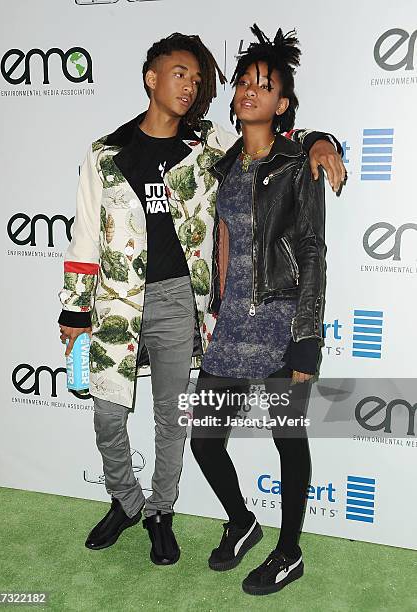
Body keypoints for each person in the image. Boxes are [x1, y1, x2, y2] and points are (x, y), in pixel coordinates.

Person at [58, 31, 344, 567]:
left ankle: (175, 518)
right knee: (119, 418)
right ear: (152, 77)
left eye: (197, 77)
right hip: (130, 304)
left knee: (186, 421)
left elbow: (280, 146)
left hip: (203, 307)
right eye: (180, 73)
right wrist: (75, 306)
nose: (191, 86)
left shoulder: (206, 150)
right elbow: (84, 235)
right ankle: (131, 502)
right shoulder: (111, 153)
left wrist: (322, 139)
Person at [190, 25, 326, 594]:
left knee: (288, 441)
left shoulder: (300, 164)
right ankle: (243, 521)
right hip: (232, 325)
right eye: (243, 81)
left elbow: (314, 250)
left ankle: (290, 551)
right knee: (203, 438)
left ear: (282, 103)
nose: (250, 90)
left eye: (263, 85)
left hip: (282, 319)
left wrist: (307, 338)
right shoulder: (223, 163)